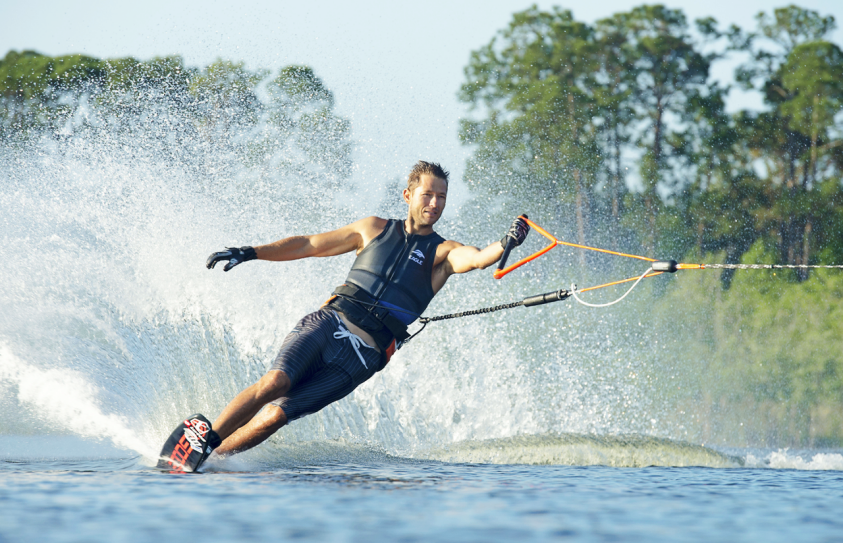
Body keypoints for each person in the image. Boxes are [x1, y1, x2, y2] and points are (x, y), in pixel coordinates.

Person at [203, 161, 529, 458]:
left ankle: (211, 462)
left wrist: (505, 243)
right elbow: (308, 245)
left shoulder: (443, 253)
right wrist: (250, 252)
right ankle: (206, 440)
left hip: (361, 359)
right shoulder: (372, 228)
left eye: (442, 197)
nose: (434, 204)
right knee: (274, 383)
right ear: (408, 194)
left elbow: (476, 259)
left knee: (276, 415)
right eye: (428, 195)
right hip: (329, 324)